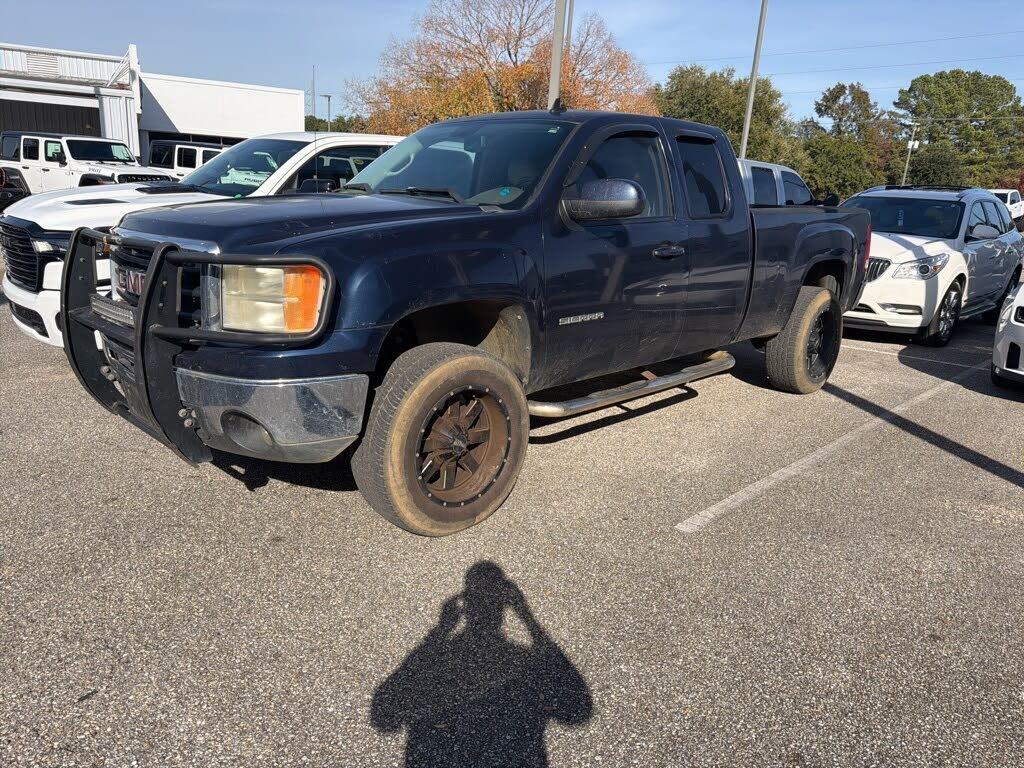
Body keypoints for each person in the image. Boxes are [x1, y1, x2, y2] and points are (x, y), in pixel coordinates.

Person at [371, 561, 592, 767]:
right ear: (505, 606)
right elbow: (576, 709)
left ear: (464, 605)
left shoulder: (438, 661)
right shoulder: (525, 664)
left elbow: (384, 714)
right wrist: (528, 619)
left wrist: (439, 632)